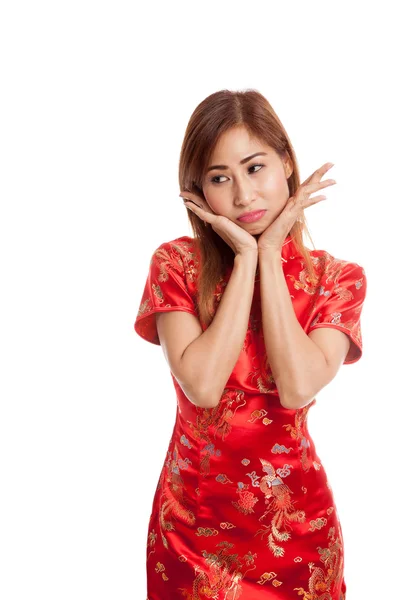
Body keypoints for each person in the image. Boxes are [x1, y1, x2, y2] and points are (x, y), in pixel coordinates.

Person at [134, 89, 367, 600]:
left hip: (298, 531)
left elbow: (297, 387)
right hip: (192, 526)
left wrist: (270, 257)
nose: (243, 196)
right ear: (199, 191)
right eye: (220, 178)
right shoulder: (177, 265)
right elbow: (201, 386)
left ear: (286, 161)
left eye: (255, 167)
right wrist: (245, 260)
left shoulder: (337, 278)